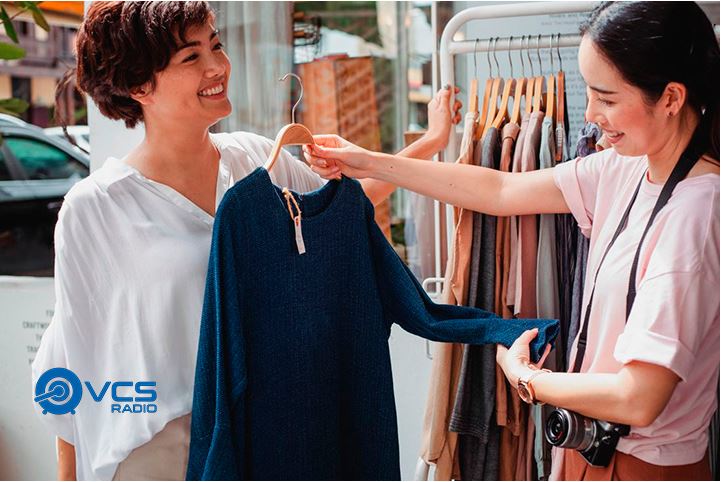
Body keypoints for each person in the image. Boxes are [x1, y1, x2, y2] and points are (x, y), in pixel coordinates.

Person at [31, 2, 462, 480]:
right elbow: (72, 355)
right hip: (163, 446)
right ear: (139, 85)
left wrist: (432, 141)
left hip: (266, 427)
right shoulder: (97, 208)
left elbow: (338, 215)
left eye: (215, 45)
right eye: (191, 58)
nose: (217, 67)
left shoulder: (256, 159)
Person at [305, 2, 719, 480]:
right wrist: (369, 162)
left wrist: (529, 380)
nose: (590, 114)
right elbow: (500, 190)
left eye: (606, 99)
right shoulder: (626, 168)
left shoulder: (696, 211)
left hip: (645, 468)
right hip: (589, 456)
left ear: (670, 98)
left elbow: (638, 397)